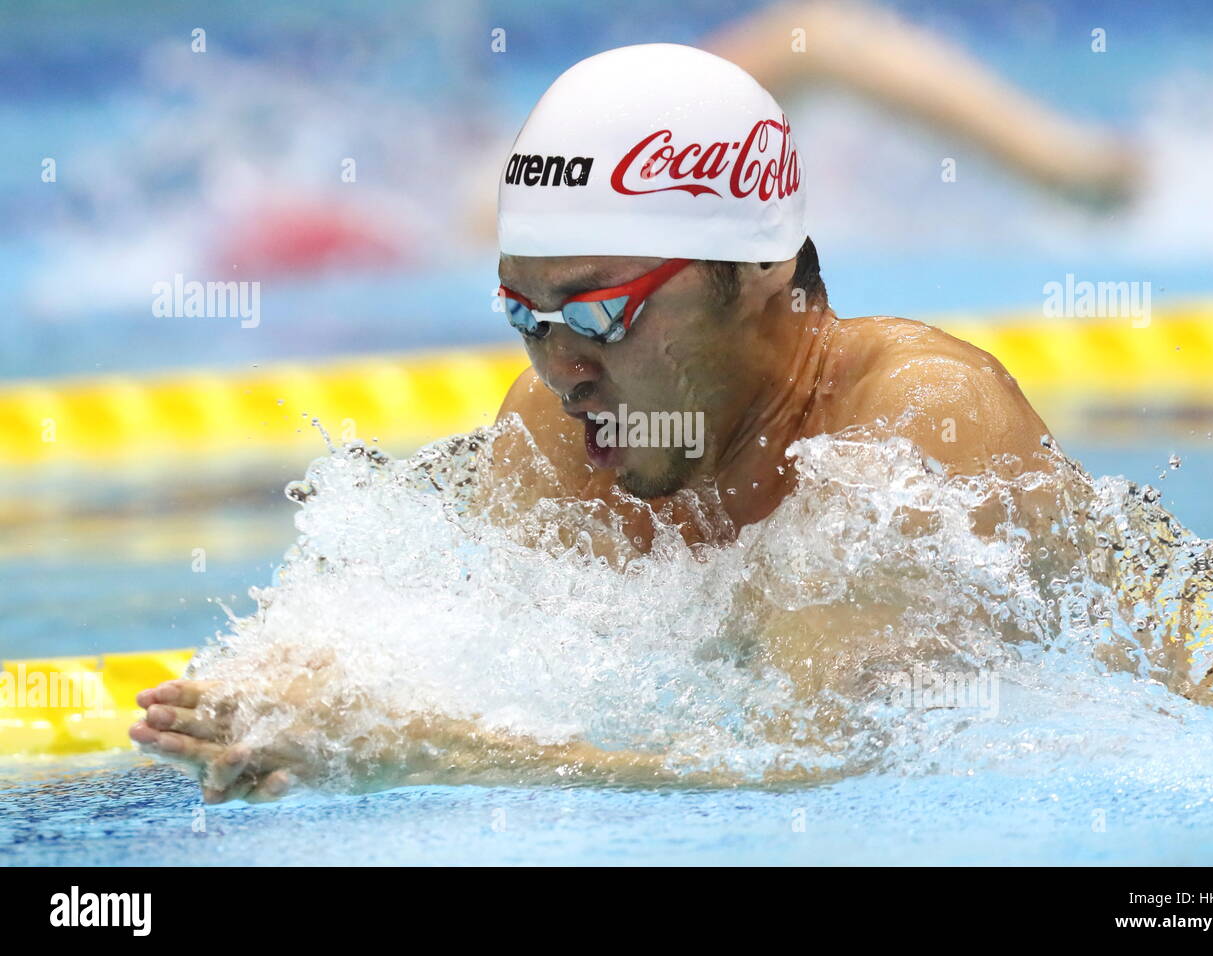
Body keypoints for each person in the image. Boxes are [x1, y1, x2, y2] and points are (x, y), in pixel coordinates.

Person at [127, 44, 1082, 803]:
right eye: (524, 316)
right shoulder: (564, 430)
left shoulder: (915, 421)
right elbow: (490, 663)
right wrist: (305, 701)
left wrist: (428, 749)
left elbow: (822, 775)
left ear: (758, 272)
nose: (560, 368)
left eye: (597, 313)